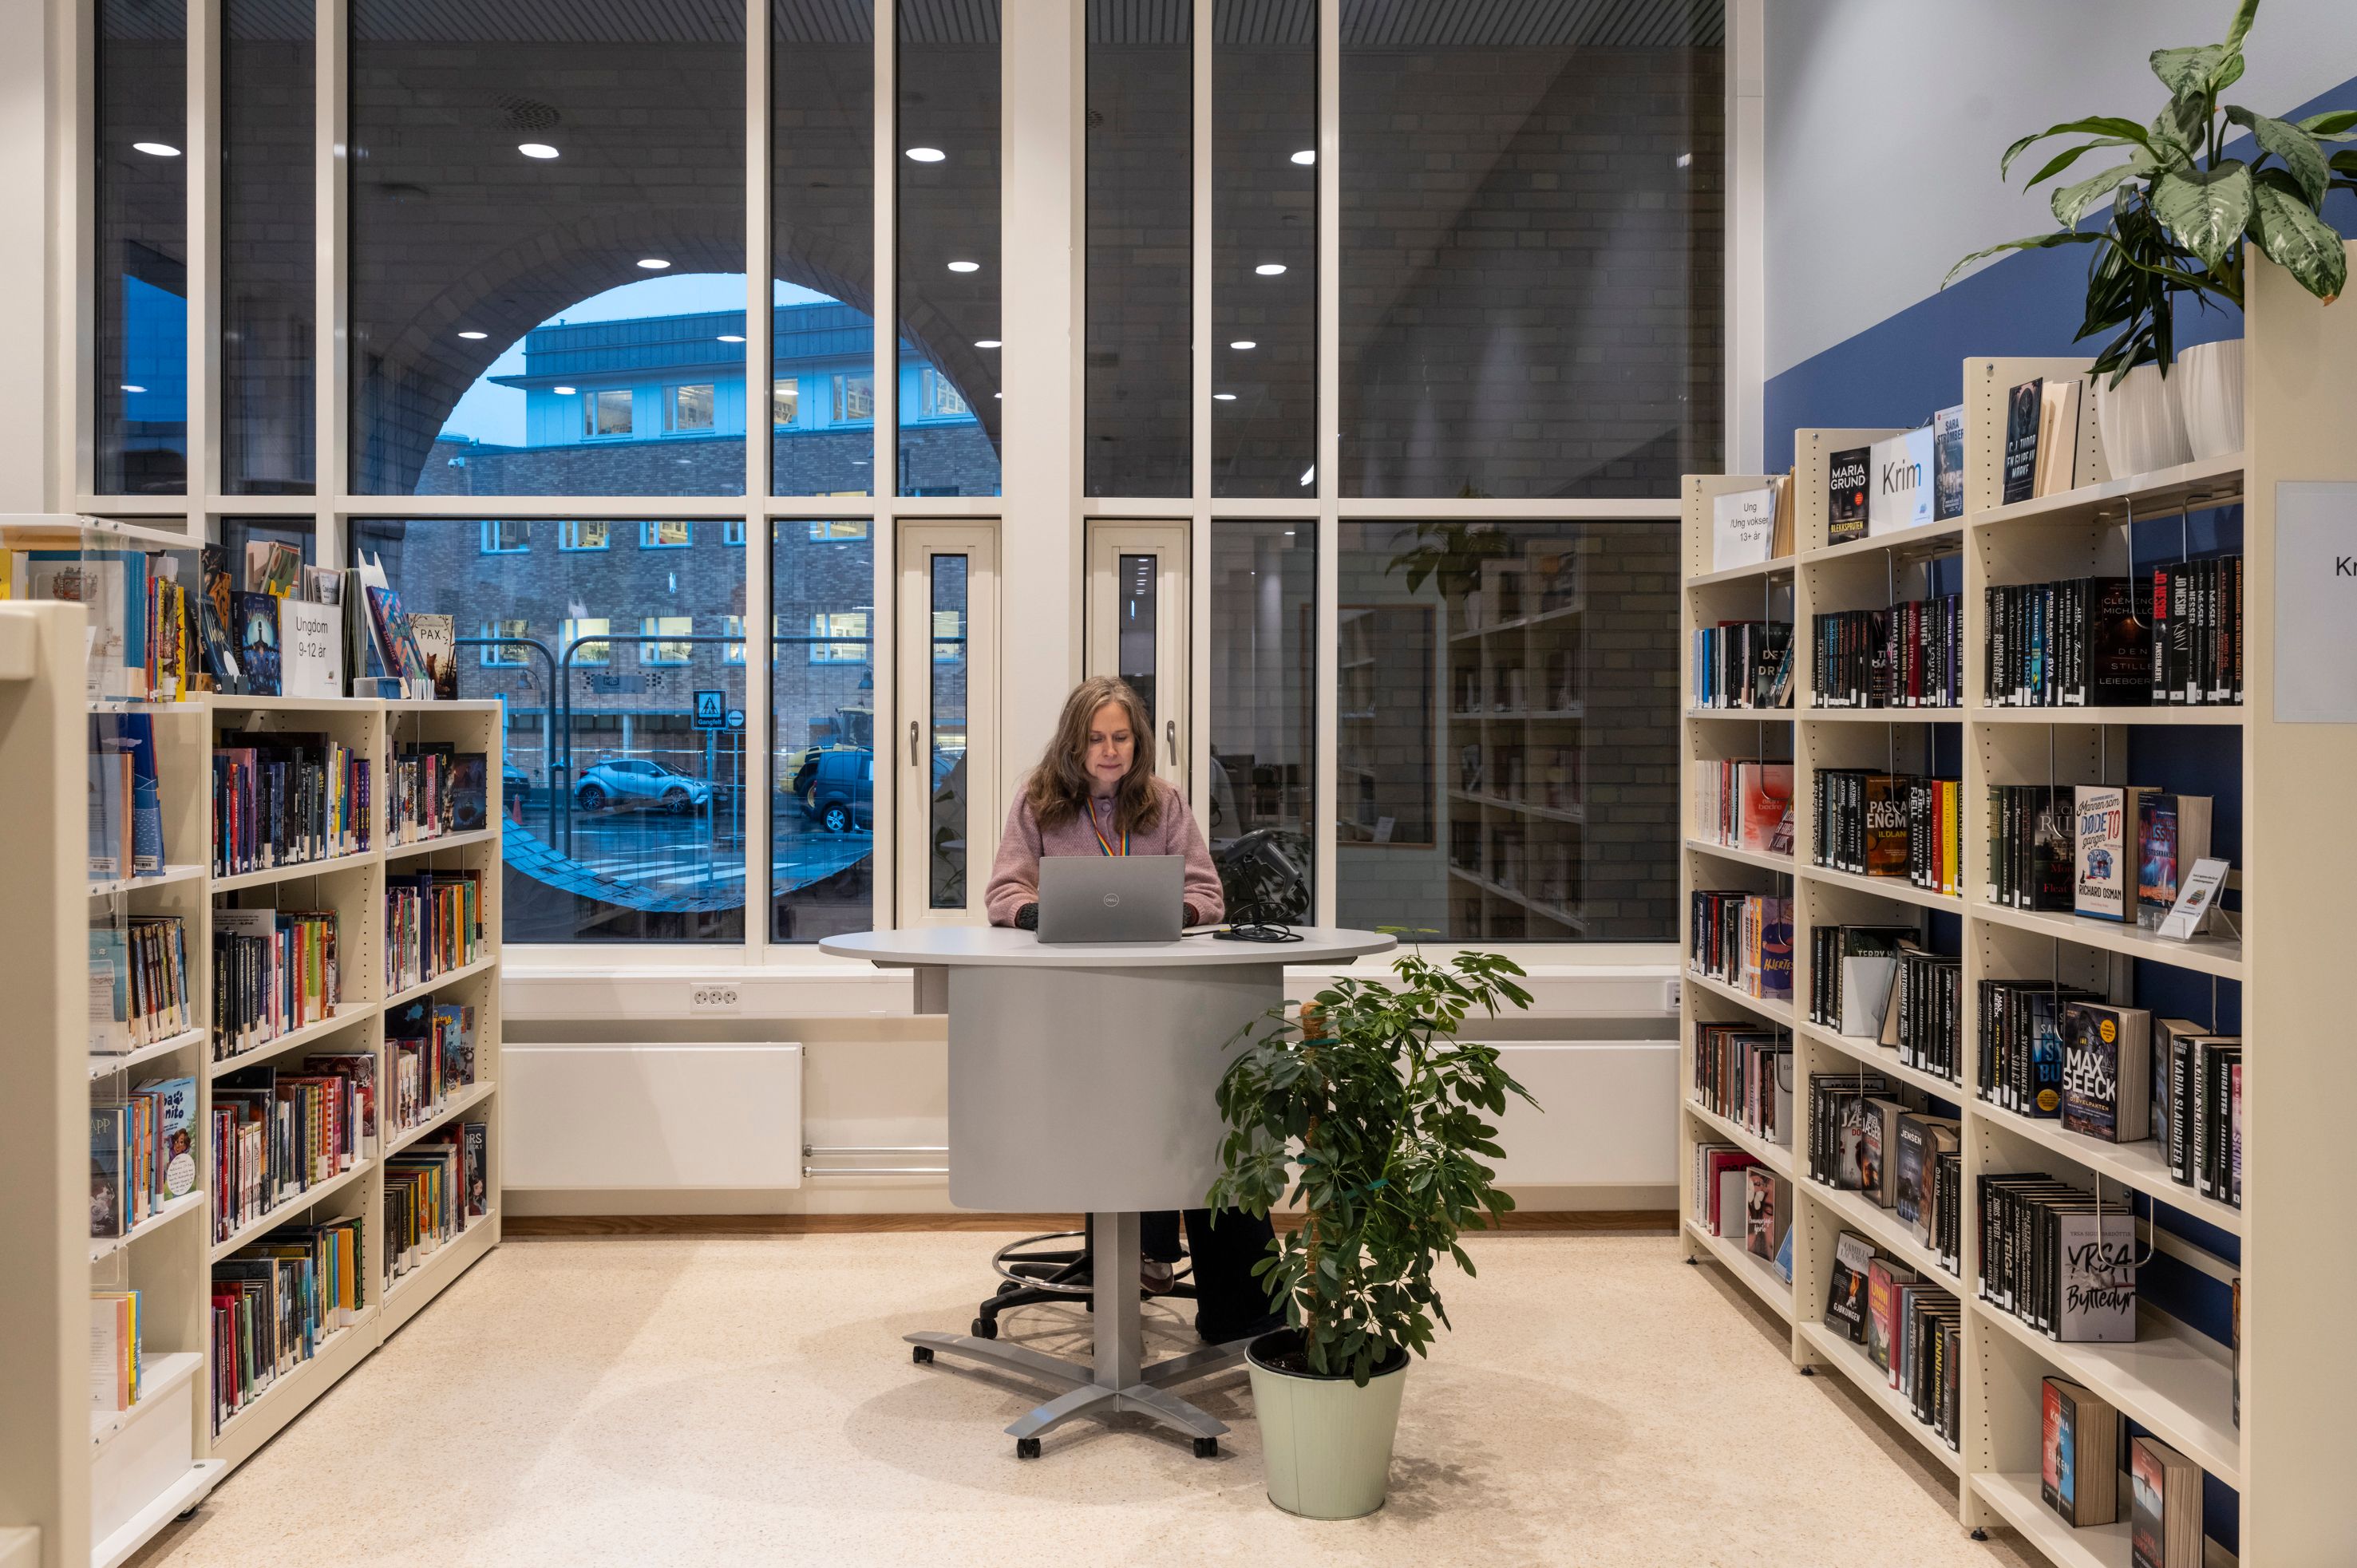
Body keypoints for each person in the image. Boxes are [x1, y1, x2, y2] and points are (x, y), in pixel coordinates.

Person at [984, 675, 1283, 1346]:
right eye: (1095, 738)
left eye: (1120, 737)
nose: (1109, 750)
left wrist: (1178, 910)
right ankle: (1137, 1255)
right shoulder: (1039, 802)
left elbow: (1207, 891)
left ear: (1137, 741)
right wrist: (1033, 910)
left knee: (1204, 1118)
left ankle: (1237, 1311)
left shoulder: (1165, 802)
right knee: (1130, 1107)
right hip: (1073, 1014)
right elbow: (1003, 887)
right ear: (1074, 743)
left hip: (1163, 1008)